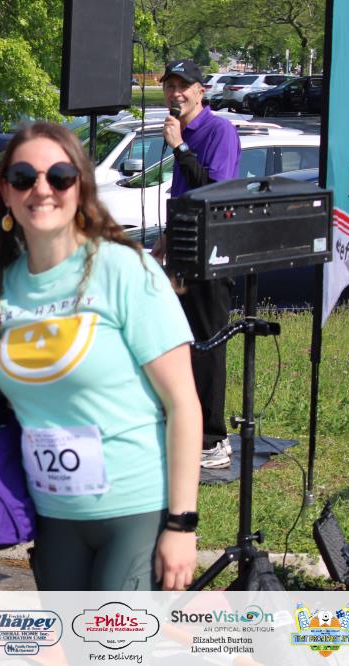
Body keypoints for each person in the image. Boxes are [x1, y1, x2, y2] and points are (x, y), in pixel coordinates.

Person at [0, 122, 202, 591]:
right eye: (23, 178)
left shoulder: (126, 269)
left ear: (81, 186)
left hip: (134, 512)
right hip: (53, 518)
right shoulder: (5, 285)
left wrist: (182, 524)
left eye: (59, 176)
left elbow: (183, 403)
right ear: (5, 192)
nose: (42, 189)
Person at [155, 59, 241, 470]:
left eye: (183, 86)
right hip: (182, 251)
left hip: (213, 254)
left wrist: (180, 147)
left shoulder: (218, 131)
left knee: (207, 346)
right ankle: (186, 426)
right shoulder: (181, 132)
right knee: (179, 344)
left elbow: (215, 192)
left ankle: (214, 439)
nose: (176, 94)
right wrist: (165, 240)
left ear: (200, 91)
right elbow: (184, 196)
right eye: (169, 86)